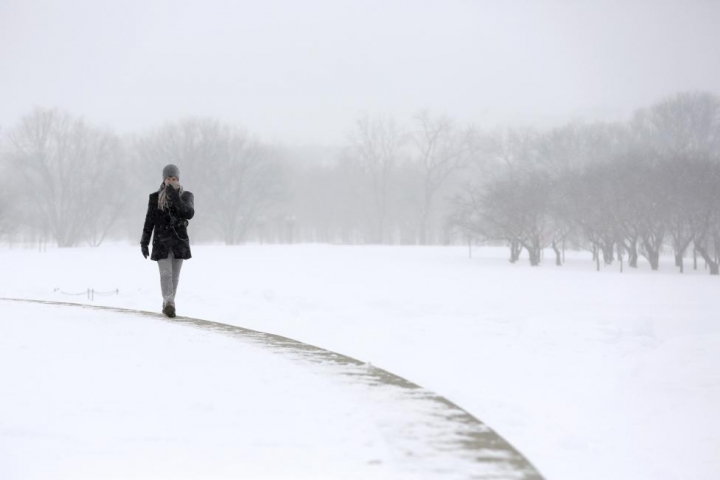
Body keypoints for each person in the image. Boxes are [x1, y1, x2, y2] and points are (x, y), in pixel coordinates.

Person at [140, 164, 195, 318]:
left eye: (174, 178)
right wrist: (144, 242)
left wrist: (175, 197)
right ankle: (169, 302)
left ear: (178, 179)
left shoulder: (186, 196)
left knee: (175, 276)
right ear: (164, 180)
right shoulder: (155, 198)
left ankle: (168, 304)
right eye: (169, 178)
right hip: (161, 241)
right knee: (166, 274)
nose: (172, 181)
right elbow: (149, 220)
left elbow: (188, 213)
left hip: (179, 242)